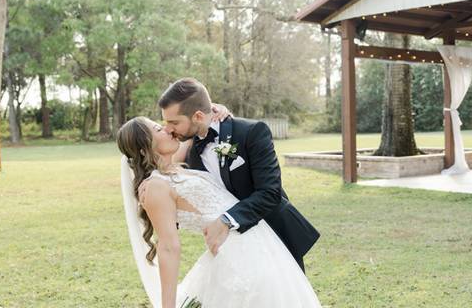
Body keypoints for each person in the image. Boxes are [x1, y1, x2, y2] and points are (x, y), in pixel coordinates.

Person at [117, 116, 321, 308]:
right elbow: (169, 247)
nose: (168, 129)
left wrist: (216, 109)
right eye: (159, 129)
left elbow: (197, 121)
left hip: (261, 246)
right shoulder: (154, 187)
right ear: (144, 149)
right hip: (238, 259)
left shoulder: (174, 168)